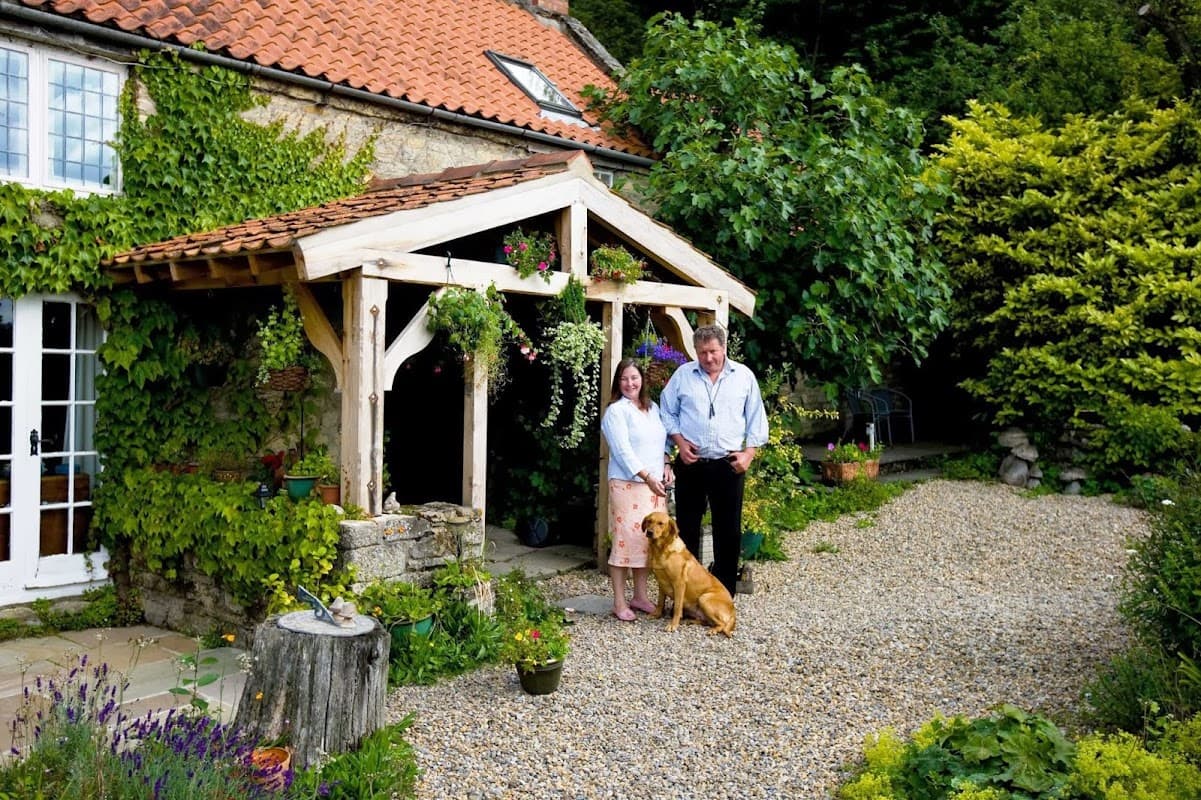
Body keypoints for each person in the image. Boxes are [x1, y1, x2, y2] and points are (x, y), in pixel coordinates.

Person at [659, 325, 768, 595]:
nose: (708, 358)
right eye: (702, 353)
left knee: (728, 530)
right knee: (686, 530)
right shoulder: (683, 376)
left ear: (724, 348)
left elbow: (757, 418)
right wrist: (680, 443)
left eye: (713, 352)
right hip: (691, 461)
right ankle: (687, 592)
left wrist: (749, 454)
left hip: (728, 463)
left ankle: (724, 593)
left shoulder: (743, 377)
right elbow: (666, 412)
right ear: (695, 352)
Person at [600, 358, 673, 621]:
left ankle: (640, 596)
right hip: (628, 484)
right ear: (618, 383)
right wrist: (647, 476)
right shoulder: (615, 412)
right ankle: (619, 602)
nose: (630, 383)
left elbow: (662, 440)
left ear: (641, 379)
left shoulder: (651, 408)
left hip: (654, 486)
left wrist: (666, 464)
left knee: (647, 541)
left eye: (634, 378)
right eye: (624, 379)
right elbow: (622, 451)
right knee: (625, 541)